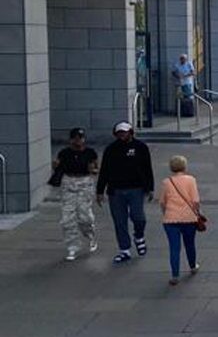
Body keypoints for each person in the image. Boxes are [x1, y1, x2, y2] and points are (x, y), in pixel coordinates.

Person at [96, 121, 154, 264]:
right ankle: (124, 249)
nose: (122, 135)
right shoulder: (111, 149)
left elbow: (147, 168)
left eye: (124, 132)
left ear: (130, 132)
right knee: (119, 221)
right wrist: (100, 190)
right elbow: (104, 170)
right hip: (116, 190)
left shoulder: (141, 147)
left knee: (138, 217)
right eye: (119, 133)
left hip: (136, 188)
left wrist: (150, 187)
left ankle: (139, 236)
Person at [52, 127, 98, 261]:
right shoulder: (64, 153)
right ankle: (72, 247)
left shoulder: (90, 152)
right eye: (75, 138)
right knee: (68, 218)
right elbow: (58, 167)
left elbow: (95, 168)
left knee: (85, 216)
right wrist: (55, 166)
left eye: (80, 138)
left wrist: (93, 170)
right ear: (71, 139)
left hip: (84, 182)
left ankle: (90, 235)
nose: (78, 141)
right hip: (68, 182)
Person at [157, 155, 202, 286]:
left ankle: (175, 275)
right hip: (188, 218)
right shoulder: (191, 180)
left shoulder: (166, 182)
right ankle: (193, 266)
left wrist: (166, 214)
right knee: (190, 244)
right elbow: (195, 200)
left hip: (171, 220)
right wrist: (197, 212)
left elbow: (162, 202)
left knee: (174, 248)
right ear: (184, 166)